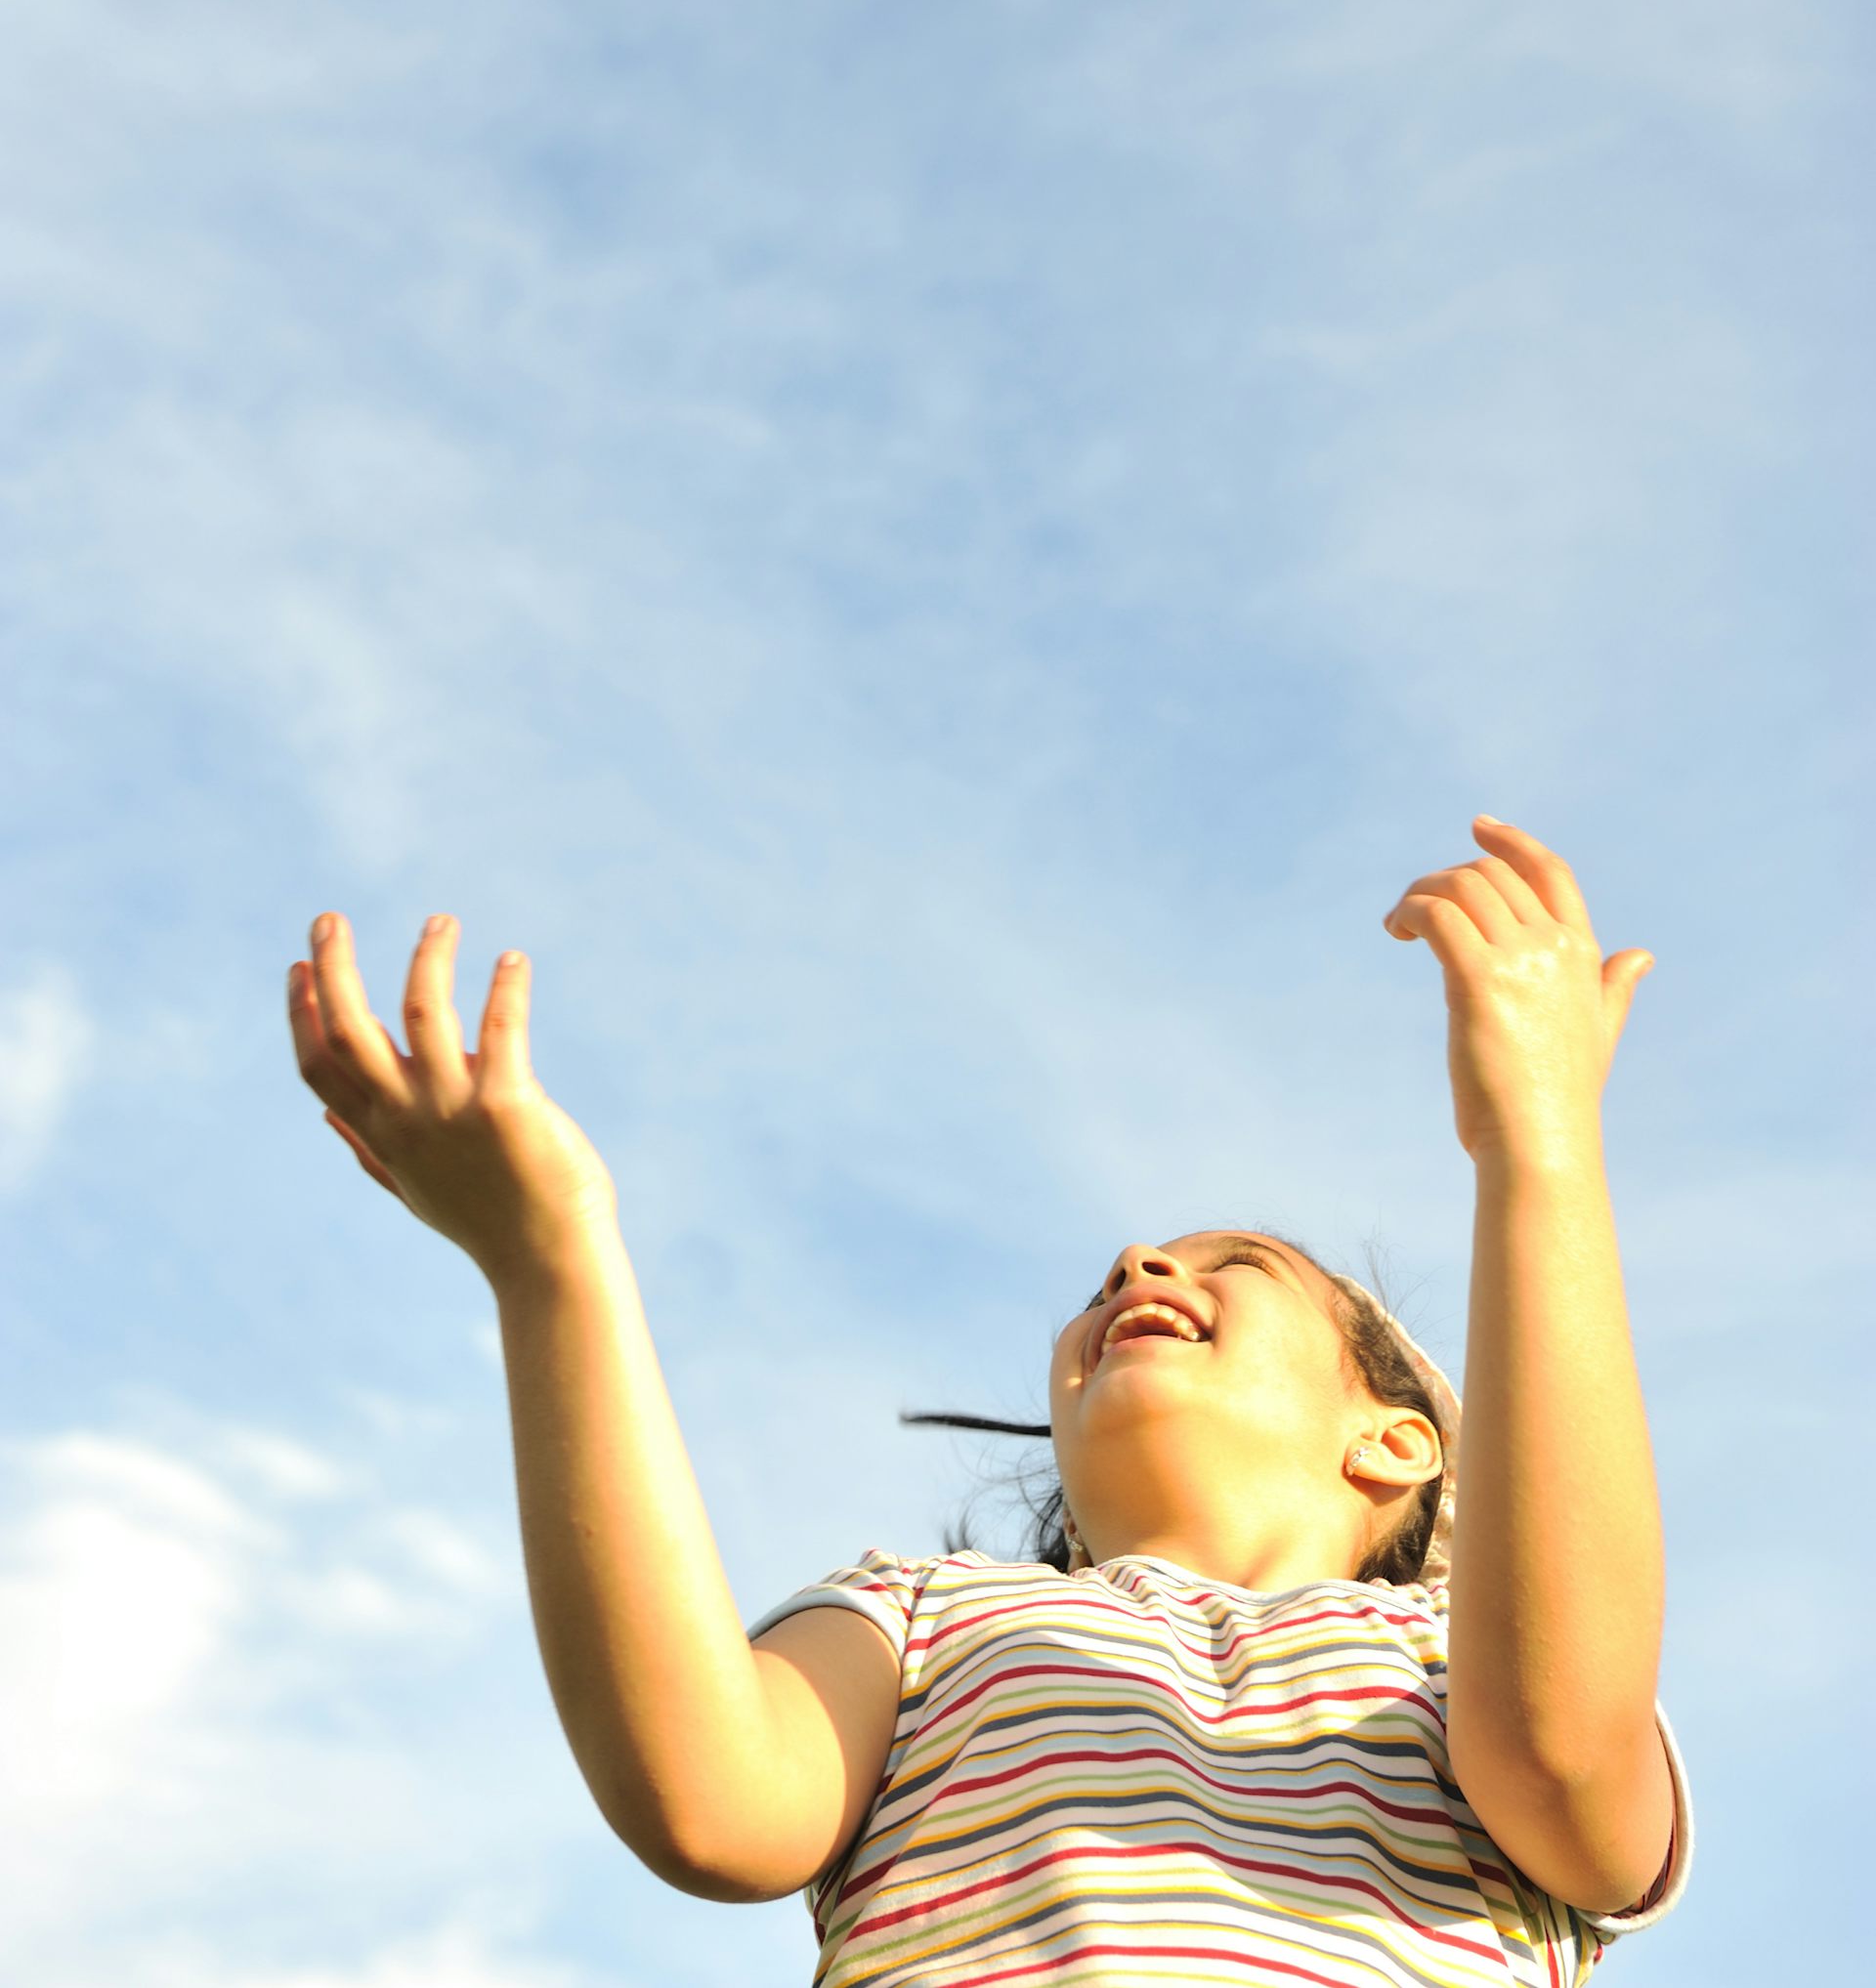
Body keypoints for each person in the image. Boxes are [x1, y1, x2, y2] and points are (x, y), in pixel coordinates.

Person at [288, 817, 1693, 1984]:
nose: (1141, 1263)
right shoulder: (921, 1614)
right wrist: (552, 1263)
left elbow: (1563, 1746)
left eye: (1241, 1264)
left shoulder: (1449, 1656)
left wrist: (1540, 1137)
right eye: (1122, 1267)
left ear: (1395, 1441)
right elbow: (709, 1799)